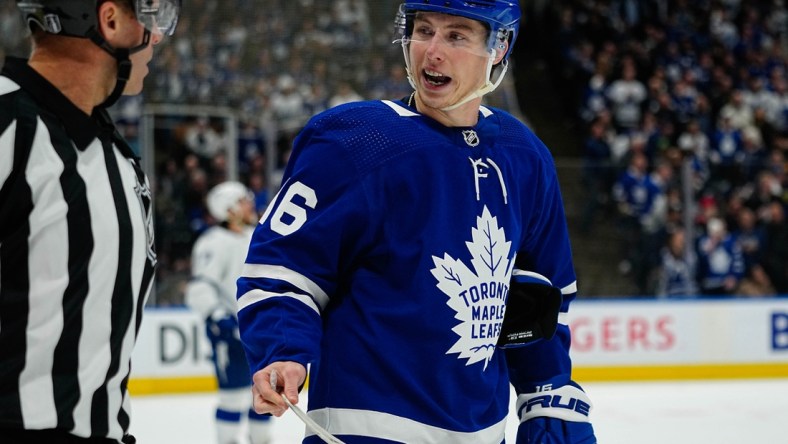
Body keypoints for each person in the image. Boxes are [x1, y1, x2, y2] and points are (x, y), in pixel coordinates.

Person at [237, 1, 596, 443]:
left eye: (456, 35)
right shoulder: (355, 142)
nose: (432, 51)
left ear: (499, 47)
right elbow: (282, 271)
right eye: (423, 30)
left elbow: (541, 298)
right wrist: (282, 350)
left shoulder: (525, 155)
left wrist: (548, 394)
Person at [0, 0, 179, 443]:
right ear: (110, 19)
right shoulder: (7, 125)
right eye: (150, 17)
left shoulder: (114, 156)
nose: (156, 37)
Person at [185, 181, 273, 444]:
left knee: (265, 394)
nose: (250, 204)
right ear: (229, 209)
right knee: (233, 397)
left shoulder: (254, 237)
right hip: (230, 333)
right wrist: (218, 317)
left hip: (258, 332)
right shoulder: (213, 242)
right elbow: (201, 287)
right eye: (244, 200)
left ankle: (263, 440)